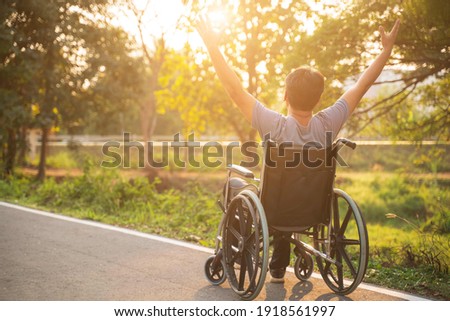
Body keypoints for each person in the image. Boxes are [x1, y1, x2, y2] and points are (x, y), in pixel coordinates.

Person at [196, 16, 400, 283]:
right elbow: (361, 86)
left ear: (285, 96)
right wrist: (386, 51)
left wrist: (212, 46)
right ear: (318, 98)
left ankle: (230, 254)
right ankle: (279, 264)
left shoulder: (273, 124)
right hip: (312, 211)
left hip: (273, 208)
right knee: (289, 192)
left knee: (235, 184)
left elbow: (235, 91)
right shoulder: (329, 123)